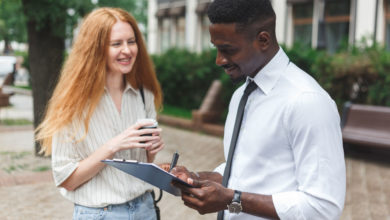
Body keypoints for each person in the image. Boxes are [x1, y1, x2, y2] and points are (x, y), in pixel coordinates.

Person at [172, 0, 346, 219]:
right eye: (216, 48)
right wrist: (194, 179)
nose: (219, 60)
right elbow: (246, 170)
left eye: (228, 49)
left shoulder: (307, 101)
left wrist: (230, 199)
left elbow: (323, 208)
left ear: (263, 40)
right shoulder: (241, 95)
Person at [36, 7, 164, 219]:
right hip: (100, 214)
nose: (127, 50)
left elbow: (144, 164)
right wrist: (113, 146)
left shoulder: (144, 95)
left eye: (131, 42)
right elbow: (67, 179)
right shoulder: (72, 105)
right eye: (116, 44)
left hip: (144, 208)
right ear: (95, 49)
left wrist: (151, 151)